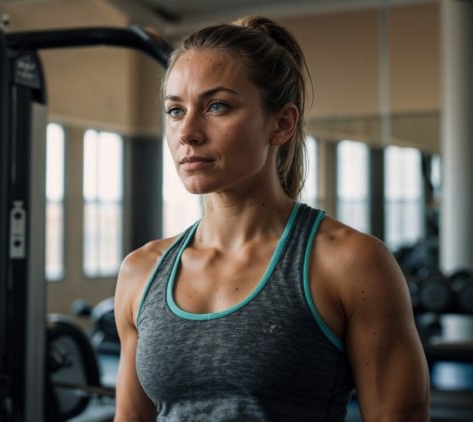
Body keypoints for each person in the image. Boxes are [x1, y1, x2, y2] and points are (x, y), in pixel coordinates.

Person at [113, 15, 429, 421]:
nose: (187, 132)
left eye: (217, 106)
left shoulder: (349, 263)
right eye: (175, 110)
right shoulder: (141, 271)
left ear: (281, 123)